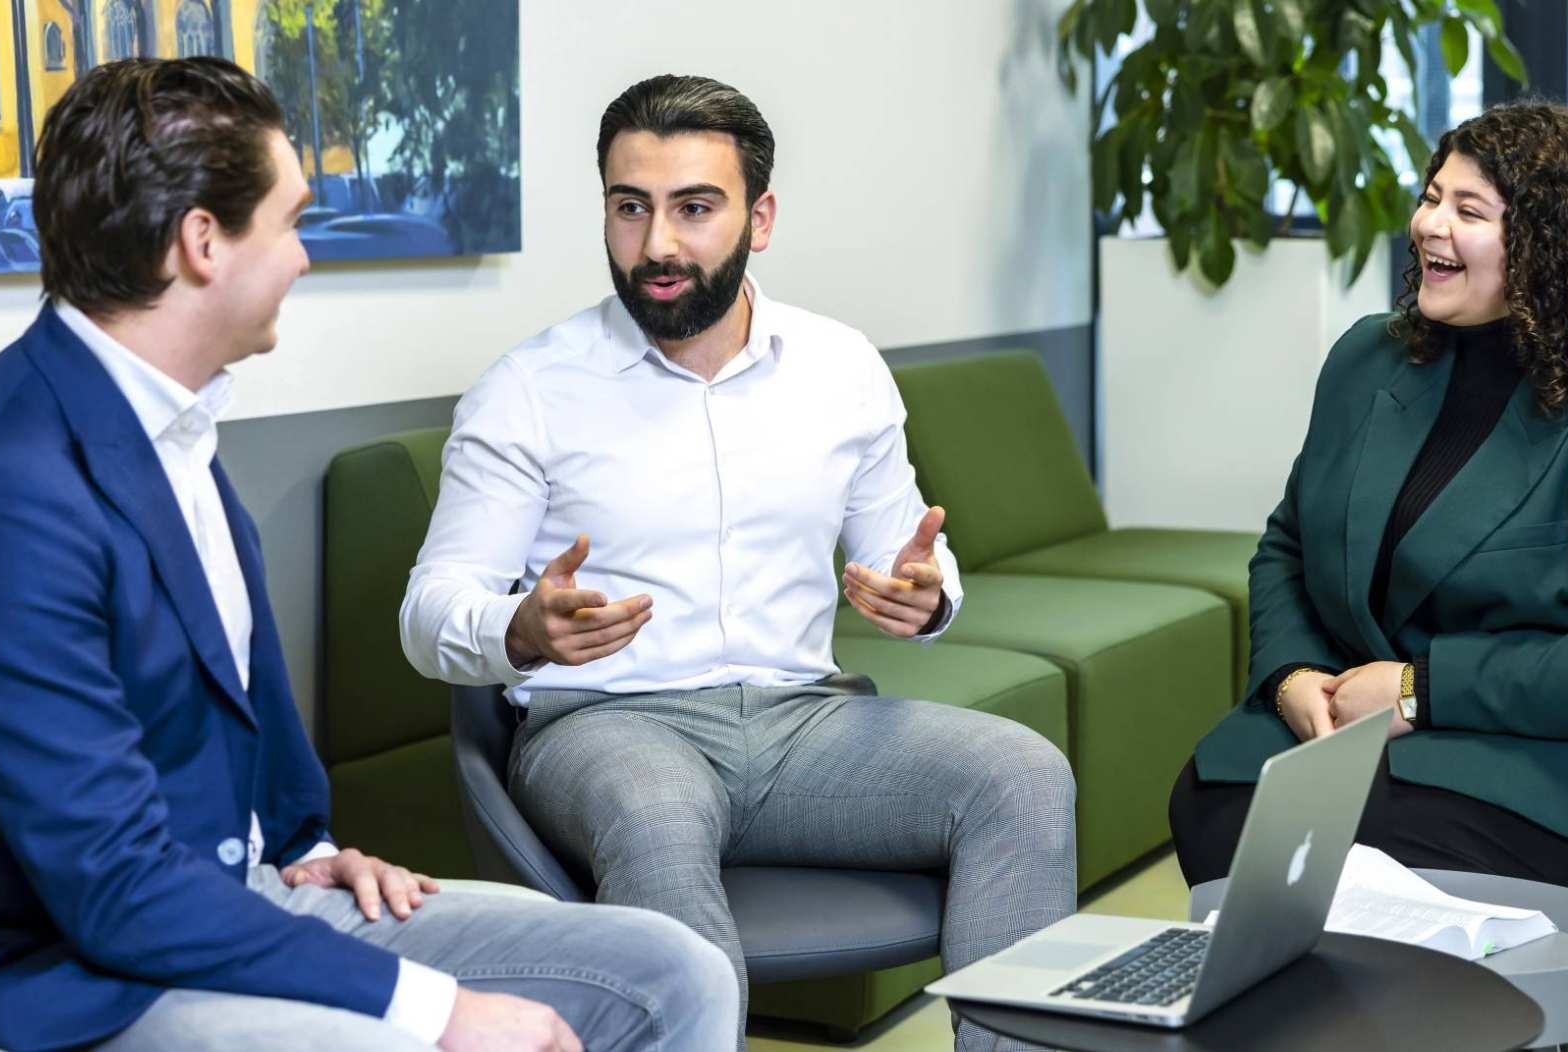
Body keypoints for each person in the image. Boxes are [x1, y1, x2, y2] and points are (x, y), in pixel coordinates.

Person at [0, 58, 734, 1052]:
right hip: (58, 962)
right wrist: (438, 1006)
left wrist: (306, 848)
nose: (301, 258)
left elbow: (225, 721)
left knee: (675, 972)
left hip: (222, 900)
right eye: (288, 222)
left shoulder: (167, 423)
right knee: (403, 1041)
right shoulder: (3, 492)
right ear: (201, 243)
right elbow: (111, 886)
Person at [400, 73, 1076, 1051]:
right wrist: (517, 627)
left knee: (1020, 772)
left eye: (693, 207)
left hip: (806, 721)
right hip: (610, 724)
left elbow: (916, 561)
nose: (658, 242)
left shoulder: (840, 368)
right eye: (629, 207)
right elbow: (428, 610)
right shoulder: (529, 390)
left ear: (758, 218)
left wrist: (924, 598)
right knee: (654, 812)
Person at [1170, 100, 1568, 893]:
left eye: (1468, 210)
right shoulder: (1369, 361)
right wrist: (1293, 675)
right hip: (1385, 728)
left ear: (1550, 247)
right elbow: (1290, 546)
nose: (1430, 224)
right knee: (1215, 798)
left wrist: (1414, 690)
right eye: (1432, 196)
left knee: (1356, 843)